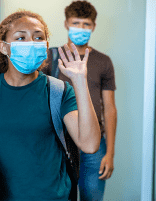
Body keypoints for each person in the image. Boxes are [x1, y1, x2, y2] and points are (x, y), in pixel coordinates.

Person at [0, 10, 100, 201]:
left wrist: (80, 81)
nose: (31, 43)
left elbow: (89, 145)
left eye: (38, 37)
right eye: (21, 38)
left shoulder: (58, 91)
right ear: (4, 47)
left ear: (46, 46)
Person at [42, 1, 118, 200]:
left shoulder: (103, 61)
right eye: (76, 23)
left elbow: (109, 108)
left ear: (93, 26)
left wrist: (109, 153)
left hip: (94, 144)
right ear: (66, 23)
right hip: (59, 141)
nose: (81, 28)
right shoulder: (50, 57)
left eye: (86, 24)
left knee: (91, 197)